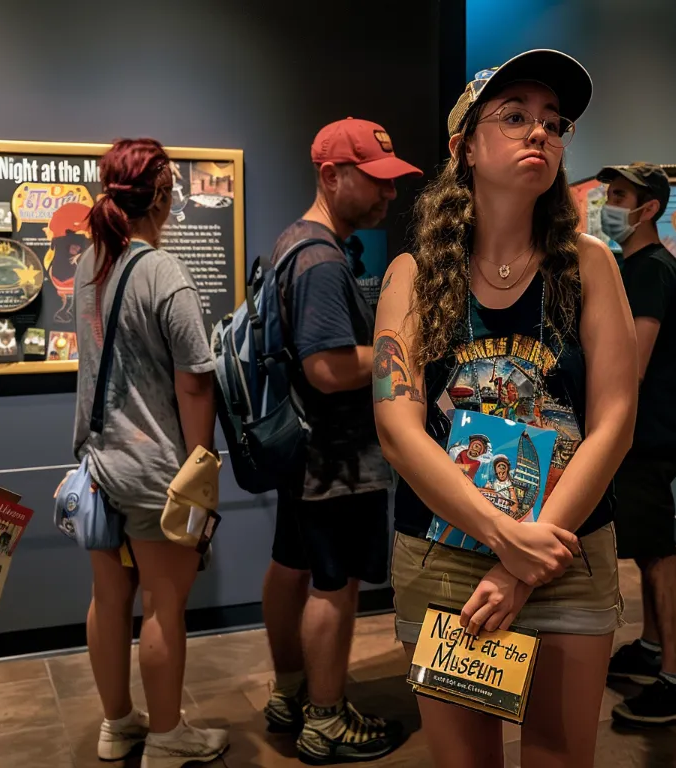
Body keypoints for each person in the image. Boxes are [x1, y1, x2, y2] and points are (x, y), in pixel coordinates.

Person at [373, 50, 638, 768]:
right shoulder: (413, 276)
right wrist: (498, 534)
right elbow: (398, 427)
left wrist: (526, 557)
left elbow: (614, 422)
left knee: (559, 757)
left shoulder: (588, 266)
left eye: (554, 123)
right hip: (447, 556)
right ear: (464, 147)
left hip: (565, 549)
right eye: (515, 116)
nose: (541, 134)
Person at [261, 117, 422, 765]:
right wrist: (406, 351)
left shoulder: (292, 244)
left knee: (291, 566)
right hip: (337, 458)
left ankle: (290, 691)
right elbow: (327, 370)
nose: (390, 195)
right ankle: (325, 720)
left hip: (304, 456)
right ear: (331, 175)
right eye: (377, 182)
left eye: (393, 183)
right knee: (336, 584)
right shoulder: (323, 261)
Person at [73, 138, 227, 767]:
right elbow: (195, 379)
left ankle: (117, 725)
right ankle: (167, 736)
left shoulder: (89, 262)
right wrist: (201, 469)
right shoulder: (164, 273)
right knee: (165, 606)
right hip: (160, 473)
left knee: (108, 601)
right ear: (162, 195)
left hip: (101, 463)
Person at [598, 162, 676, 725]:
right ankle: (654, 648)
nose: (607, 203)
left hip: (646, 436)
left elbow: (629, 365)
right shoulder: (633, 266)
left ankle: (675, 685)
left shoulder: (651, 270)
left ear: (649, 208)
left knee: (659, 555)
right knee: (648, 545)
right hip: (642, 435)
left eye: (618, 195)